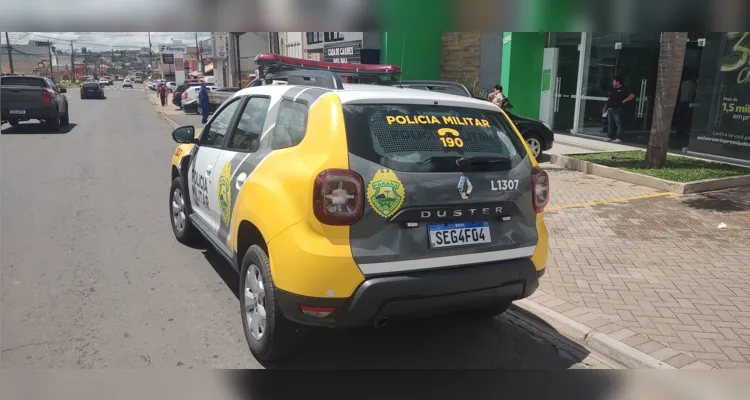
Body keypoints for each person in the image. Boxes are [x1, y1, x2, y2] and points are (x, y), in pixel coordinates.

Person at [602, 76, 635, 143]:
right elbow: (609, 99)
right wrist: (605, 107)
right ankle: (610, 136)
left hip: (617, 109)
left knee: (619, 124)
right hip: (610, 109)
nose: (612, 83)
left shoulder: (624, 89)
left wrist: (624, 101)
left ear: (618, 82)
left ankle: (619, 137)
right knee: (610, 124)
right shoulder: (612, 89)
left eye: (614, 81)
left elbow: (632, 96)